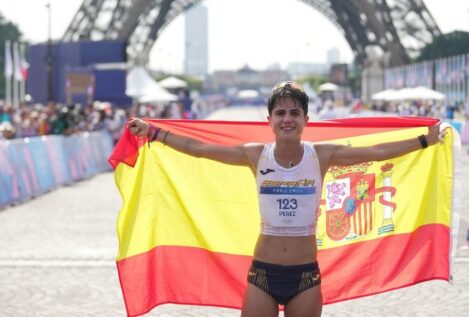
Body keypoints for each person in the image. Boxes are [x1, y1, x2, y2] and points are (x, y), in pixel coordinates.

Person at [128, 81, 445, 317]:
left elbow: (376, 153)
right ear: (269, 120)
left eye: (295, 112)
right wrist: (154, 132)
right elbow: (199, 149)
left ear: (307, 119)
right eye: (280, 113)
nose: (287, 119)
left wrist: (423, 140)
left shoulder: (322, 155)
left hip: (305, 275)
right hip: (262, 274)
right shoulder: (255, 155)